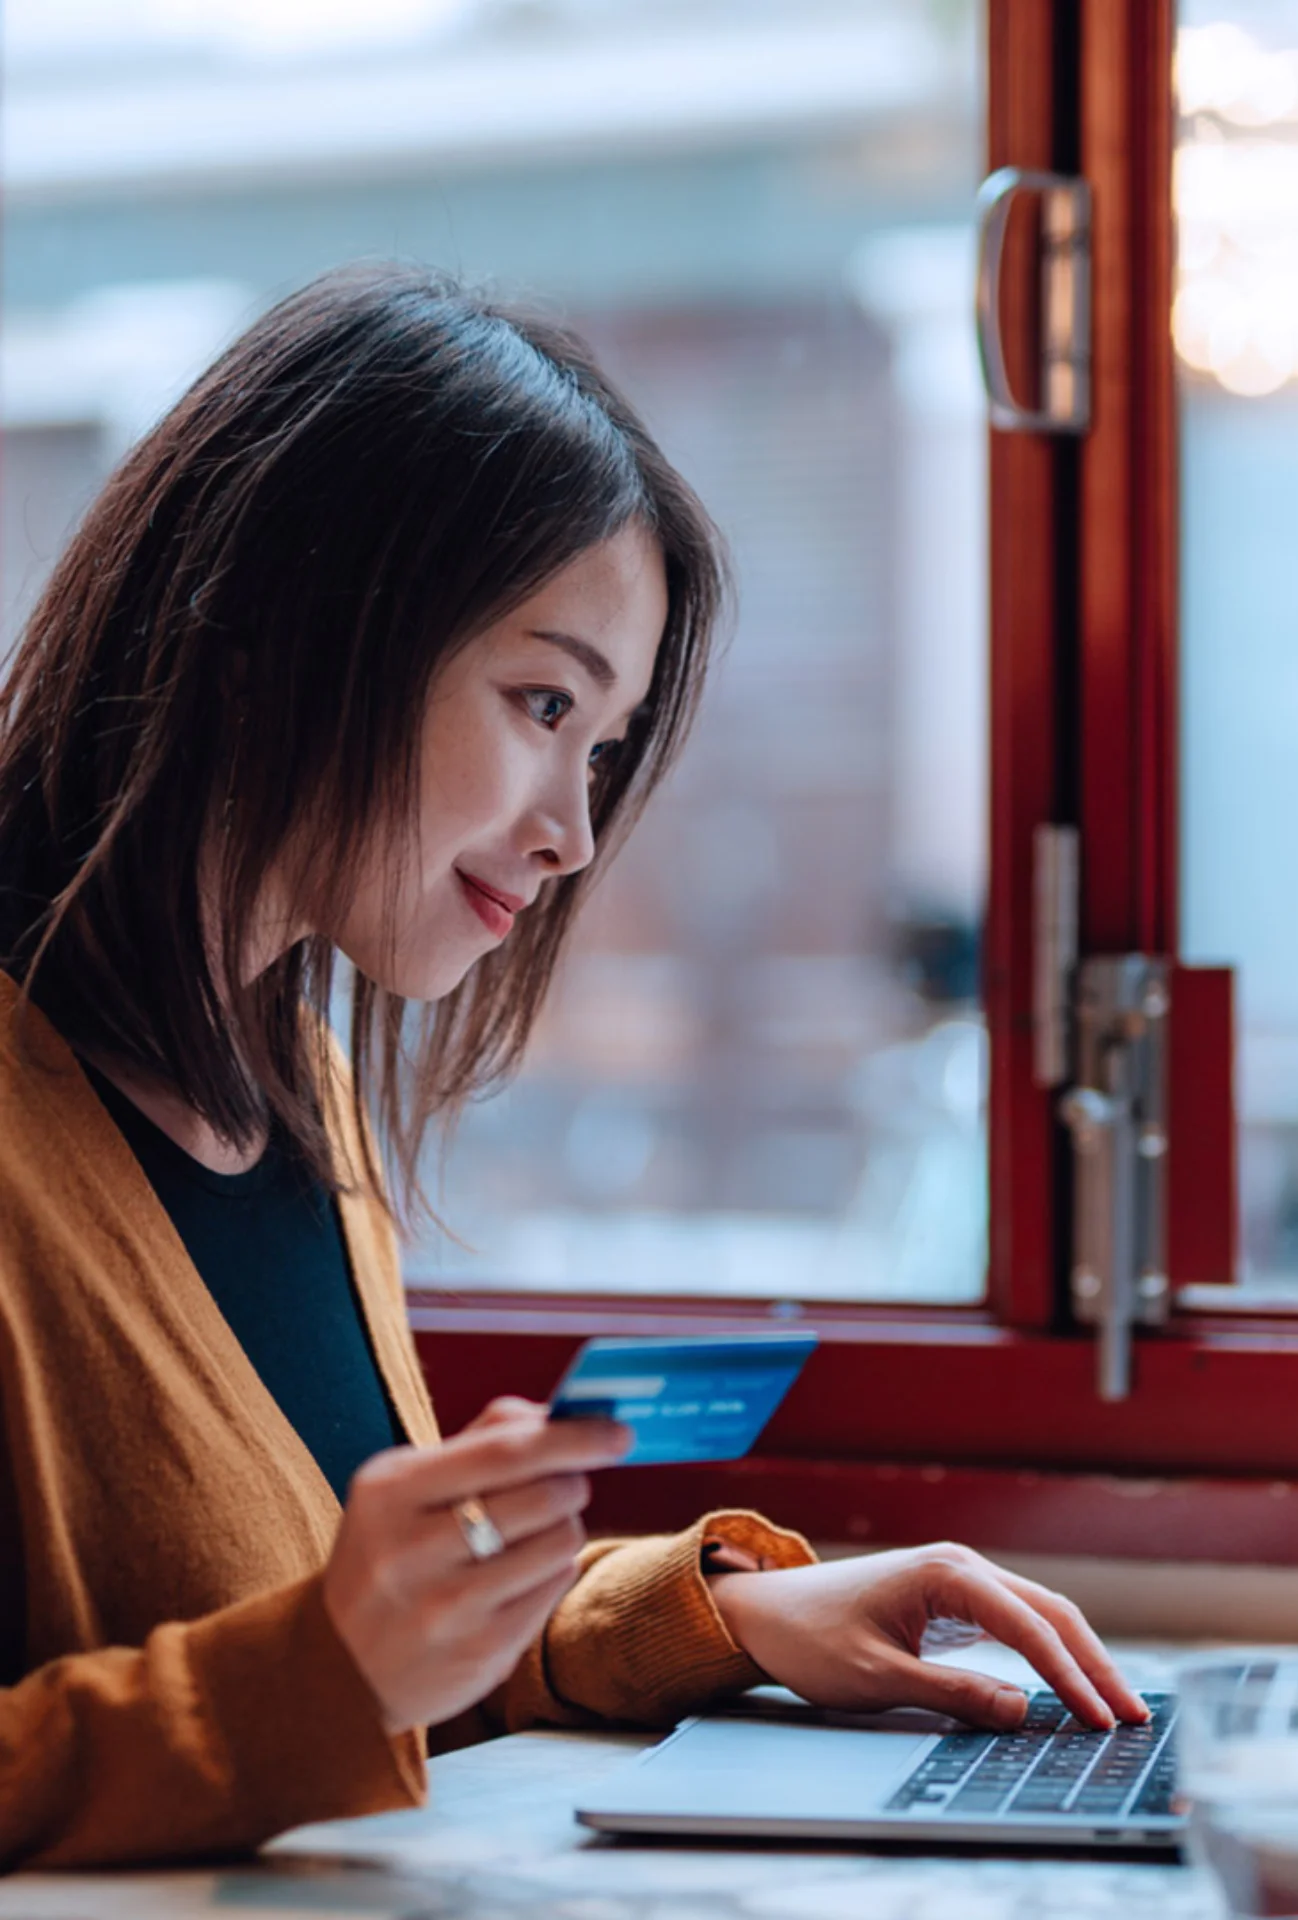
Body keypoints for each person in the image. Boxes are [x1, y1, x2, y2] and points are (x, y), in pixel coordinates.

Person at [0, 265, 1146, 1872]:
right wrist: (321, 1673)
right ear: (273, 640)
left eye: (599, 746)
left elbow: (375, 1667)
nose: (574, 832)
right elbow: (316, 1676)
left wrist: (730, 1617)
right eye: (543, 702)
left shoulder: (288, 1090)